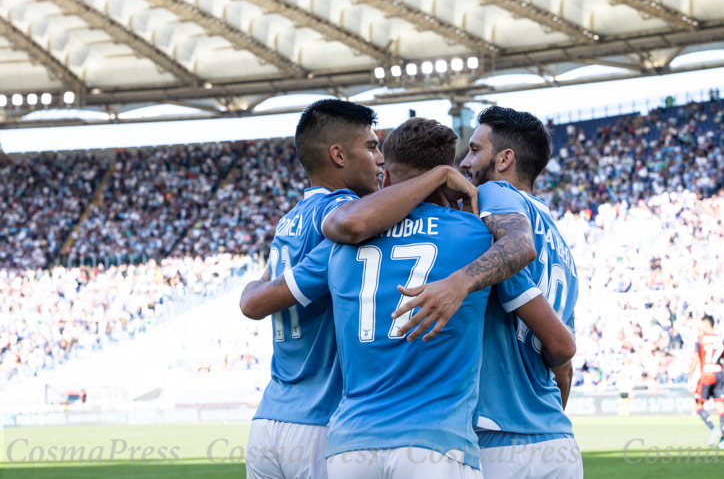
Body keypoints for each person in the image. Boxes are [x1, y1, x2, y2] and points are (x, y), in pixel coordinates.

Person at [288, 118, 563, 478]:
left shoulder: (341, 244)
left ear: (387, 175)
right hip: (436, 443)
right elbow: (558, 339)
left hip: (350, 444)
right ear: (450, 173)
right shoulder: (477, 237)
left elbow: (335, 229)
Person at [240, 107, 480, 479]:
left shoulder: (291, 219)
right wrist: (436, 177)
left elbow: (256, 295)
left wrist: (253, 287)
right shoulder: (342, 216)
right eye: (371, 147)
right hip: (320, 420)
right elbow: (355, 223)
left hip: (269, 415)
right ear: (339, 156)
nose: (381, 159)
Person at [439, 106, 582, 479]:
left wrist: (458, 282)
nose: (465, 162)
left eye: (474, 149)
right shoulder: (563, 246)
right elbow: (562, 367)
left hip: (497, 437)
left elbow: (517, 243)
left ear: (504, 159)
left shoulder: (493, 192)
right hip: (555, 440)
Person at [688, 314, 724, 449]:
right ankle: (723, 440)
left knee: (699, 405)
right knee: (721, 407)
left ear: (706, 326)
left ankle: (713, 428)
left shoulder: (700, 340)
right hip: (719, 374)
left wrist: (690, 376)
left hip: (706, 374)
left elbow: (695, 359)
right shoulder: (721, 340)